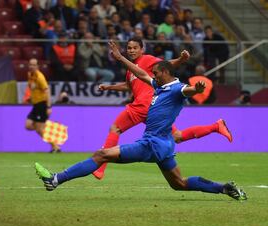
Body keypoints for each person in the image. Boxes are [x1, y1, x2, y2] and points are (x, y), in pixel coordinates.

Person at [35, 44, 247, 201]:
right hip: (163, 145)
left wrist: (197, 89)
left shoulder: (176, 88)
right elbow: (139, 73)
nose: (152, 76)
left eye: (156, 72)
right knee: (179, 184)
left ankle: (55, 180)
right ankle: (224, 188)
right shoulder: (159, 85)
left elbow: (189, 90)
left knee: (101, 155)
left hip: (151, 144)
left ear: (165, 72)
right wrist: (120, 58)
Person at [92, 37, 232, 180]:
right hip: (154, 108)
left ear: (142, 49)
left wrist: (181, 59)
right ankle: (216, 126)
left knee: (115, 129)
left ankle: (100, 168)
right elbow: (129, 86)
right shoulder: (130, 71)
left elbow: (166, 65)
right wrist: (109, 87)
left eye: (135, 48)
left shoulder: (146, 60)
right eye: (129, 48)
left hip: (143, 105)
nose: (132, 50)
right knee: (177, 136)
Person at [25, 58, 61, 153]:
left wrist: (48, 106)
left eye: (34, 65)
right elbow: (33, 89)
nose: (32, 66)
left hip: (42, 104)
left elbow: (47, 90)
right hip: (35, 105)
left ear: (37, 66)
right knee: (28, 126)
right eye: (30, 64)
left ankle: (55, 147)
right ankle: (54, 145)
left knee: (39, 129)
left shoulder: (40, 77)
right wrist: (30, 98)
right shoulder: (30, 75)